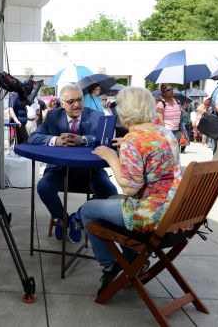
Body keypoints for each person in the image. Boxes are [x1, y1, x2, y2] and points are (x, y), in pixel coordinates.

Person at [77, 87, 182, 295]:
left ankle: (111, 265)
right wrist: (127, 144)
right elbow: (151, 151)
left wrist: (112, 157)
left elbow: (130, 188)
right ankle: (131, 257)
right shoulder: (165, 132)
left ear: (124, 113)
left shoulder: (134, 140)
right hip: (174, 210)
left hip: (150, 216)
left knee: (87, 210)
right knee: (109, 198)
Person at [28, 83, 118, 243]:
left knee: (109, 191)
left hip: (90, 173)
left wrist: (83, 140)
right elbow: (33, 137)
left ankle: (78, 217)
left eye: (79, 100)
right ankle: (62, 218)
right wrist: (55, 140)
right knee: (43, 187)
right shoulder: (53, 116)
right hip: (60, 171)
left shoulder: (96, 116)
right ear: (62, 103)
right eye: (71, 102)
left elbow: (107, 141)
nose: (77, 105)